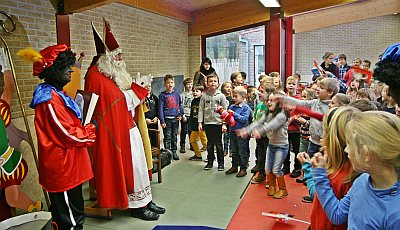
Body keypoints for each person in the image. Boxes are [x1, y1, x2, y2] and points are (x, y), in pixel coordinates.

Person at [85, 19, 164, 220]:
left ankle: (146, 200)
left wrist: (138, 89)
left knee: (139, 166)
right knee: (132, 169)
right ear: (106, 58)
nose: (121, 58)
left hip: (129, 128)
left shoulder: (112, 73)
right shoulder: (95, 77)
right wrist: (137, 91)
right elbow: (116, 103)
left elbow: (123, 97)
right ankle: (136, 206)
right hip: (115, 134)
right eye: (117, 55)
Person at [18, 44, 96, 229]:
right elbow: (65, 133)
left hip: (69, 165)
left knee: (70, 213)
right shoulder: (49, 99)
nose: (71, 70)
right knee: (70, 220)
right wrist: (90, 131)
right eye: (65, 67)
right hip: (62, 167)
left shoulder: (58, 94)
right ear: (52, 70)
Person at [311, 111, 400, 229]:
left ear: (366, 154)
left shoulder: (395, 213)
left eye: (349, 144)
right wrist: (319, 175)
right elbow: (337, 215)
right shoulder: (362, 180)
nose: (346, 150)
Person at [298, 107, 359, 229]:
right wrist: (309, 169)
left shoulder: (352, 175)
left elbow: (337, 215)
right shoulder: (329, 164)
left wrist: (312, 172)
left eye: (325, 131)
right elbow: (318, 194)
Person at [0, 69, 42, 220]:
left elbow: (9, 87)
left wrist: (6, 66)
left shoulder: (1, 108)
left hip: (7, 163)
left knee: (12, 198)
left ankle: (36, 210)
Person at [238, 92, 290, 199]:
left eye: (272, 100)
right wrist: (246, 130)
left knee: (276, 169)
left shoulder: (282, 115)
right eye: (268, 100)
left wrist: (259, 132)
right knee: (267, 169)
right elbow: (257, 122)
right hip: (271, 145)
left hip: (281, 146)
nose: (269, 102)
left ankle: (283, 189)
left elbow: (271, 126)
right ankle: (272, 186)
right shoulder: (268, 114)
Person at [198, 73, 228, 171]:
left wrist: (224, 124)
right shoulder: (204, 96)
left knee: (219, 144)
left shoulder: (221, 96)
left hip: (218, 123)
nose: (213, 83)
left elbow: (225, 112)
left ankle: (221, 163)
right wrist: (199, 122)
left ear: (218, 83)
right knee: (209, 144)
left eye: (215, 81)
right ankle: (210, 162)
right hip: (208, 123)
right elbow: (201, 110)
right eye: (210, 81)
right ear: (207, 83)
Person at [224, 86, 251, 177]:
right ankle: (234, 166)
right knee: (234, 150)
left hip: (242, 133)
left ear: (243, 98)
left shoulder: (245, 108)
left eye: (236, 96)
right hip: (233, 132)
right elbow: (229, 119)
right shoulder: (232, 106)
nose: (233, 98)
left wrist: (233, 113)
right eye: (233, 96)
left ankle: (243, 168)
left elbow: (244, 119)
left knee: (242, 152)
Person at [159, 75, 183, 160]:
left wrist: (180, 114)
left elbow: (180, 105)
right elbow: (160, 108)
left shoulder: (176, 94)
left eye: (171, 82)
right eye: (168, 83)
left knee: (174, 136)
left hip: (175, 119)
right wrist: (162, 120)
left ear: (174, 84)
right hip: (167, 120)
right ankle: (167, 153)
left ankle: (174, 151)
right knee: (167, 136)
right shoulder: (162, 95)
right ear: (165, 84)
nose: (170, 84)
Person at [188, 85, 207, 161]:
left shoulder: (203, 101)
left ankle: (211, 156)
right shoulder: (193, 101)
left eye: (197, 91)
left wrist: (203, 124)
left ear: (202, 93)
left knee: (205, 142)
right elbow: (192, 114)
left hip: (201, 125)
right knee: (192, 140)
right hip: (194, 125)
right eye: (193, 91)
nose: (195, 93)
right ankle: (197, 155)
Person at [180, 78, 193, 153]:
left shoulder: (193, 94)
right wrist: (182, 115)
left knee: (191, 131)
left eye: (191, 84)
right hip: (185, 115)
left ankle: (192, 144)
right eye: (188, 84)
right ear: (185, 85)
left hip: (191, 115)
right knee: (184, 131)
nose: (190, 86)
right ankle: (182, 145)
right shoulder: (182, 95)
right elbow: (180, 105)